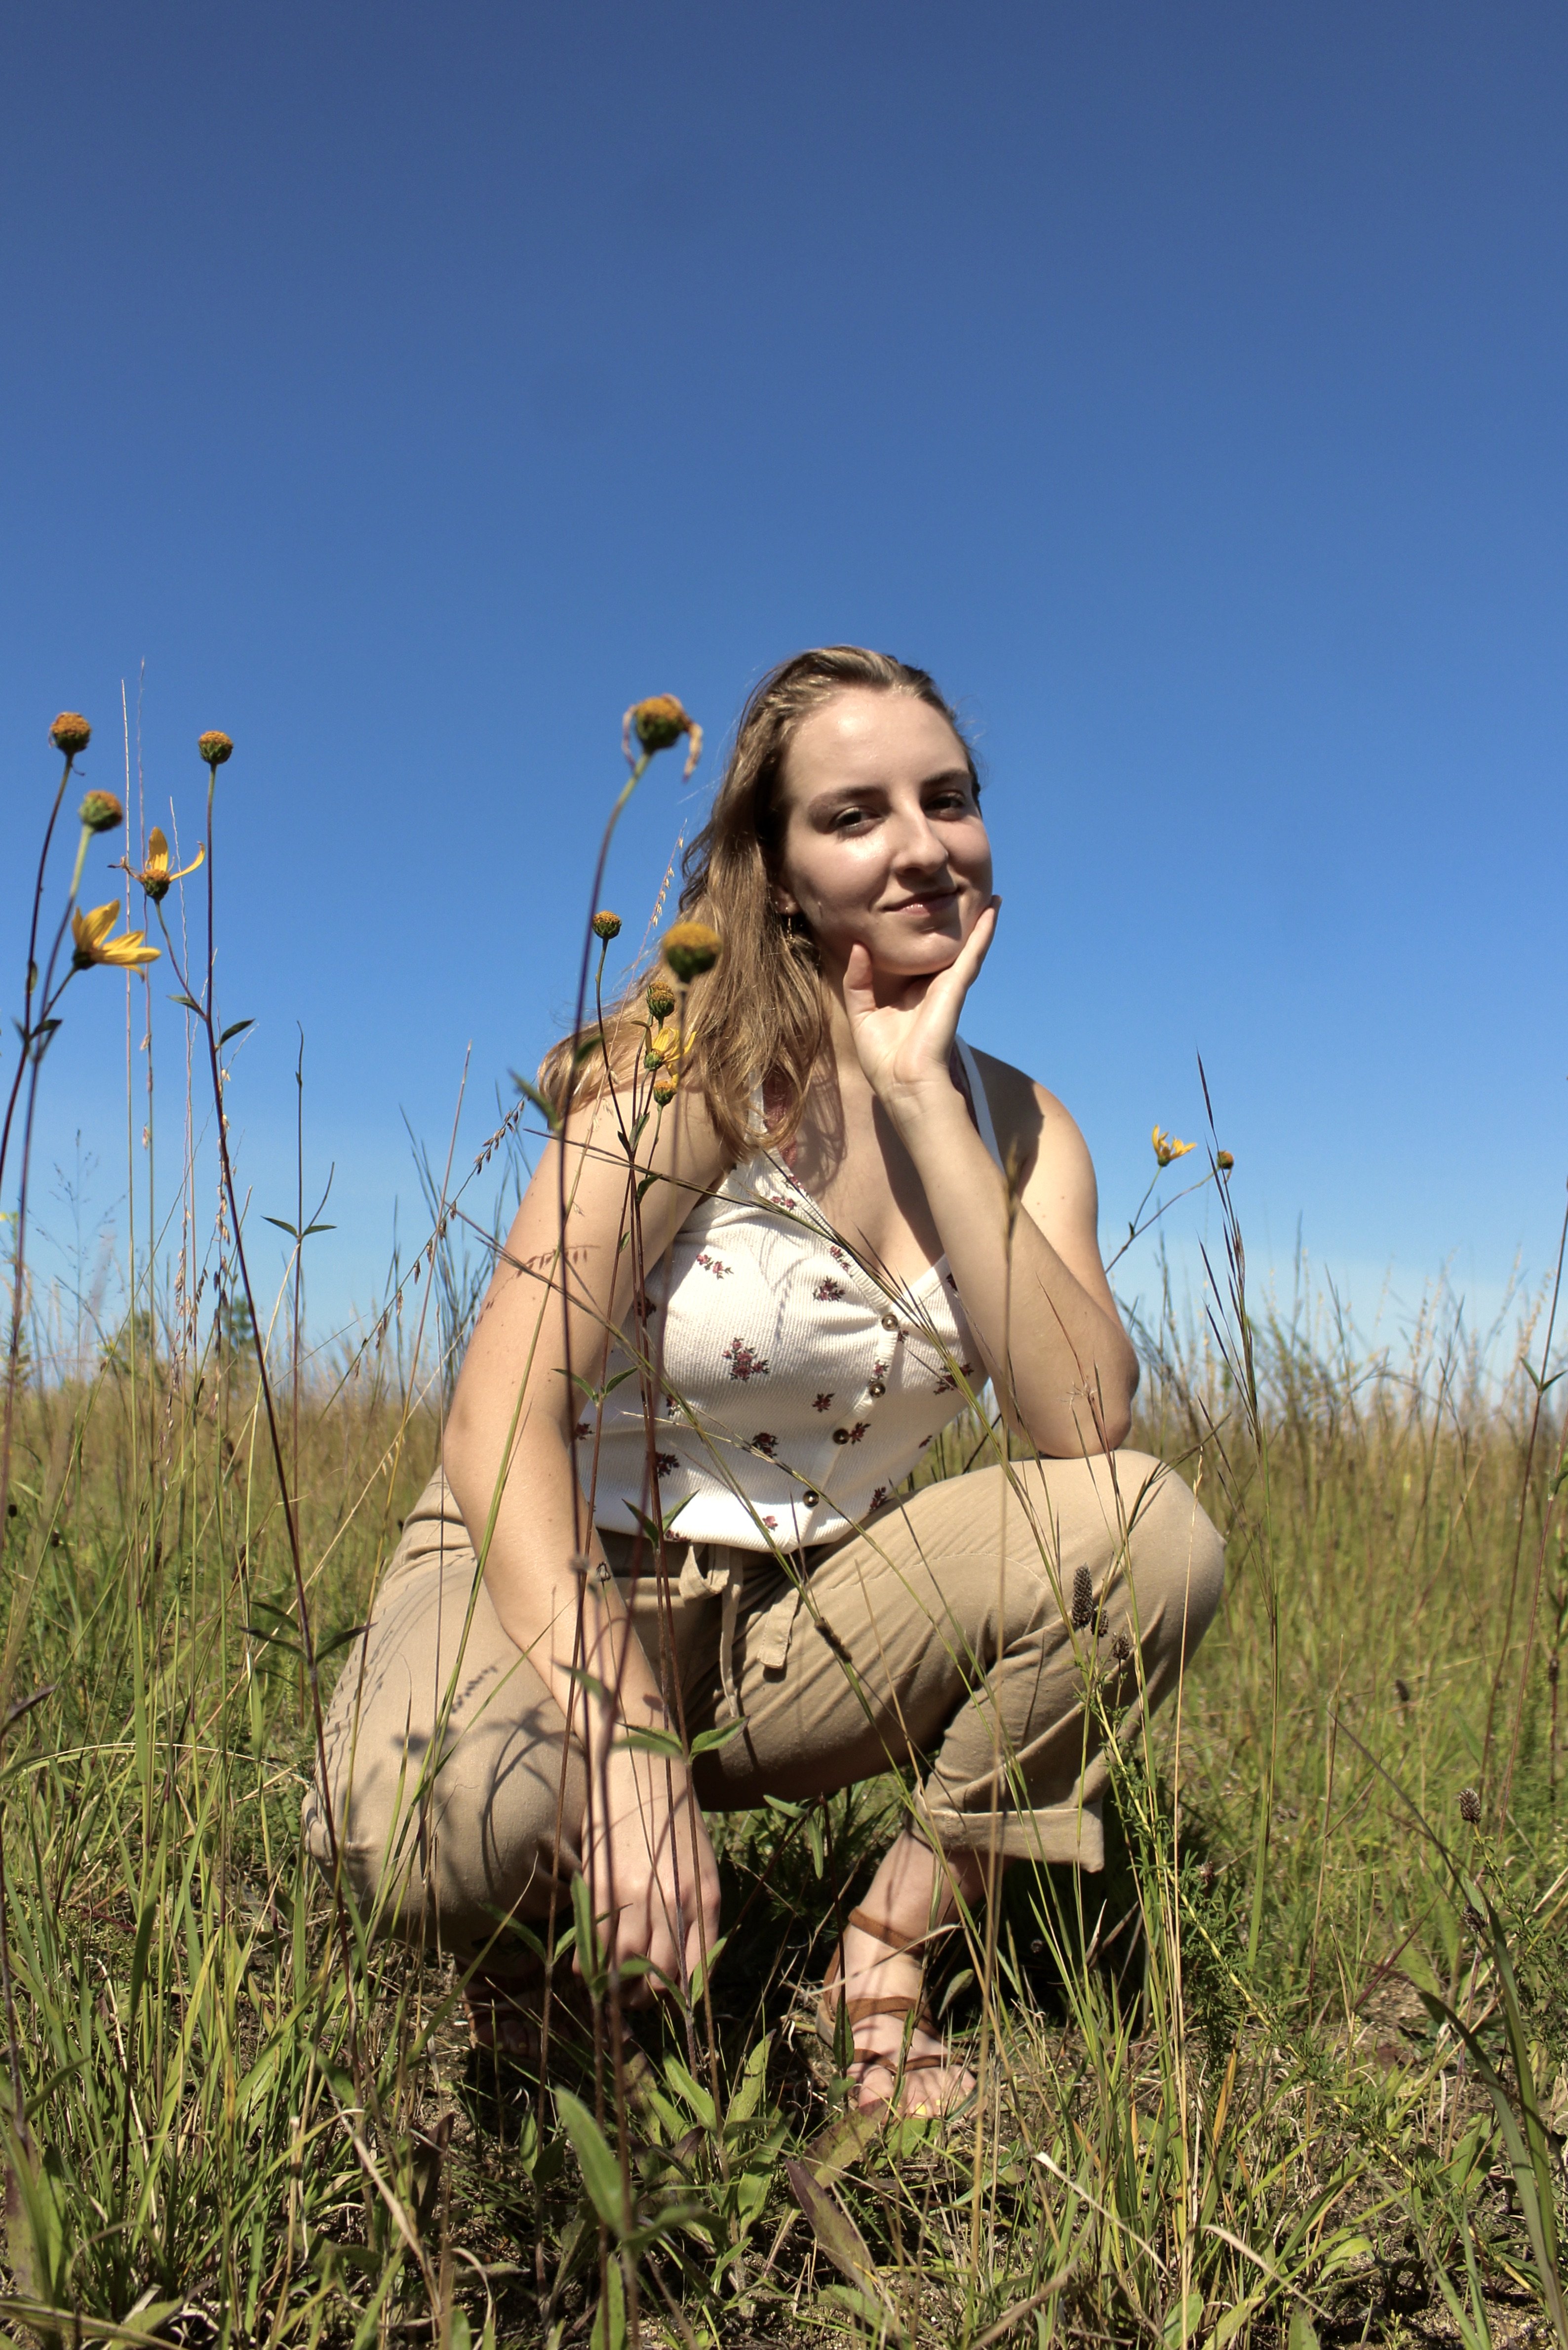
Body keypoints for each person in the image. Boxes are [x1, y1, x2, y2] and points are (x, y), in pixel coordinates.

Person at [303, 645, 1225, 2118]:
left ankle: (887, 1953)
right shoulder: (699, 1056)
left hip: (796, 1627)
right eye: (857, 815)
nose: (925, 846)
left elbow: (1084, 1430)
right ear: (781, 873)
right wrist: (620, 1741)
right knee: (462, 1824)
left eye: (952, 799)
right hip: (551, 1573)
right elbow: (497, 1418)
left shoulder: (1026, 1122)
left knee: (1151, 1531)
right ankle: (548, 1989)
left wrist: (923, 1100)